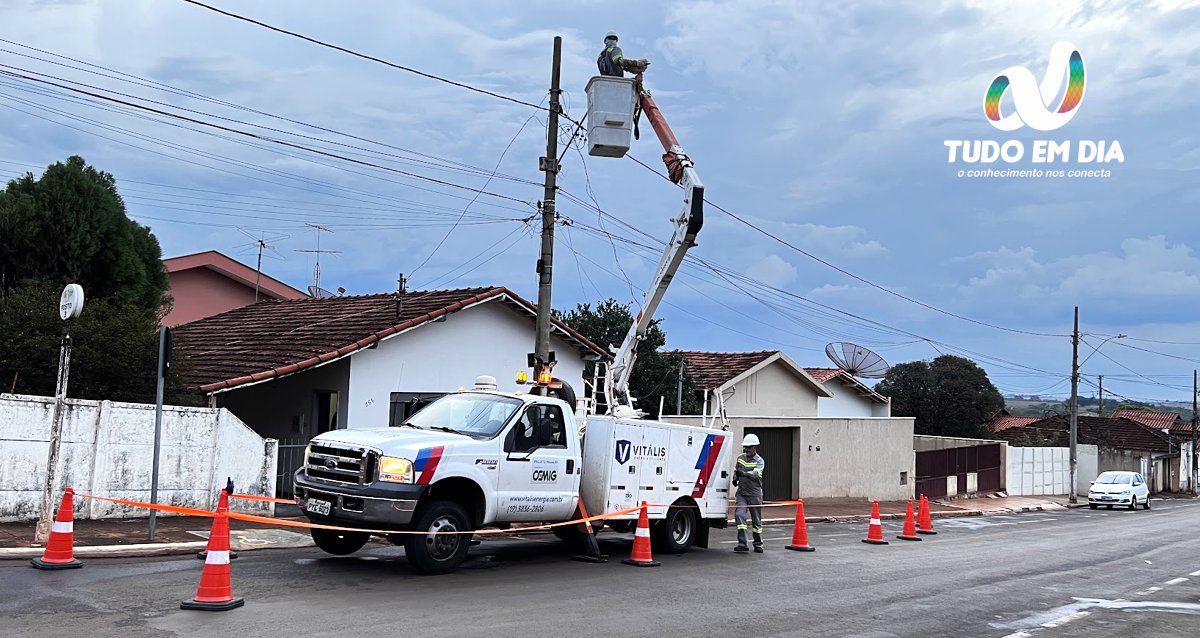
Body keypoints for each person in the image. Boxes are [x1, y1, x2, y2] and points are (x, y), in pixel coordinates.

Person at [733, 433, 765, 553]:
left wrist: (745, 474)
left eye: (749, 447)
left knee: (756, 520)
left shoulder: (759, 461)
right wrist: (735, 478)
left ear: (754, 447)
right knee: (739, 515)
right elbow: (737, 470)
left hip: (754, 494)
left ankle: (758, 544)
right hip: (742, 493)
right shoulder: (740, 458)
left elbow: (756, 473)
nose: (746, 449)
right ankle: (742, 543)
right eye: (745, 447)